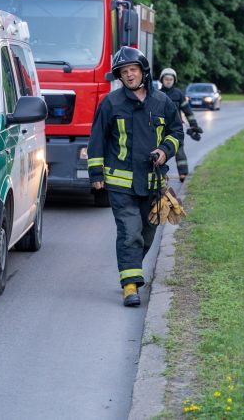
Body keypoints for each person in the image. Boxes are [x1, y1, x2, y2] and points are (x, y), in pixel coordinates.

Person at [87, 47, 184, 307]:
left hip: (153, 184)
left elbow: (176, 133)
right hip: (121, 184)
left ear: (143, 71)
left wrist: (164, 151)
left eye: (133, 70)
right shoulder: (111, 103)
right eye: (124, 72)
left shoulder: (162, 102)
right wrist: (96, 173)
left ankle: (132, 271)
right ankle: (130, 287)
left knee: (147, 233)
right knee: (130, 232)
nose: (129, 75)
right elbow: (97, 139)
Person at [158, 67, 203, 182]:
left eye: (170, 79)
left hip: (175, 127)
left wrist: (194, 126)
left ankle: (183, 174)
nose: (168, 81)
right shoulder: (157, 94)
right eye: (166, 79)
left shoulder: (178, 94)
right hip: (160, 128)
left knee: (179, 150)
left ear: (174, 81)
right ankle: (159, 175)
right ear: (162, 80)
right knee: (160, 150)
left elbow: (188, 111)